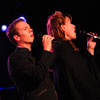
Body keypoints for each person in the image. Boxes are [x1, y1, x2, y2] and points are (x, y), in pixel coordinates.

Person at [46, 11, 100, 100]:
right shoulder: (62, 49)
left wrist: (90, 48)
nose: (74, 26)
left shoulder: (67, 48)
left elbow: (84, 70)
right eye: (70, 23)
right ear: (63, 27)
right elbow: (83, 79)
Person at [6, 18, 58, 100]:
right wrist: (46, 51)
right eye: (25, 29)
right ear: (17, 37)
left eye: (29, 27)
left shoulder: (33, 55)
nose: (31, 30)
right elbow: (37, 75)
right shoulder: (15, 58)